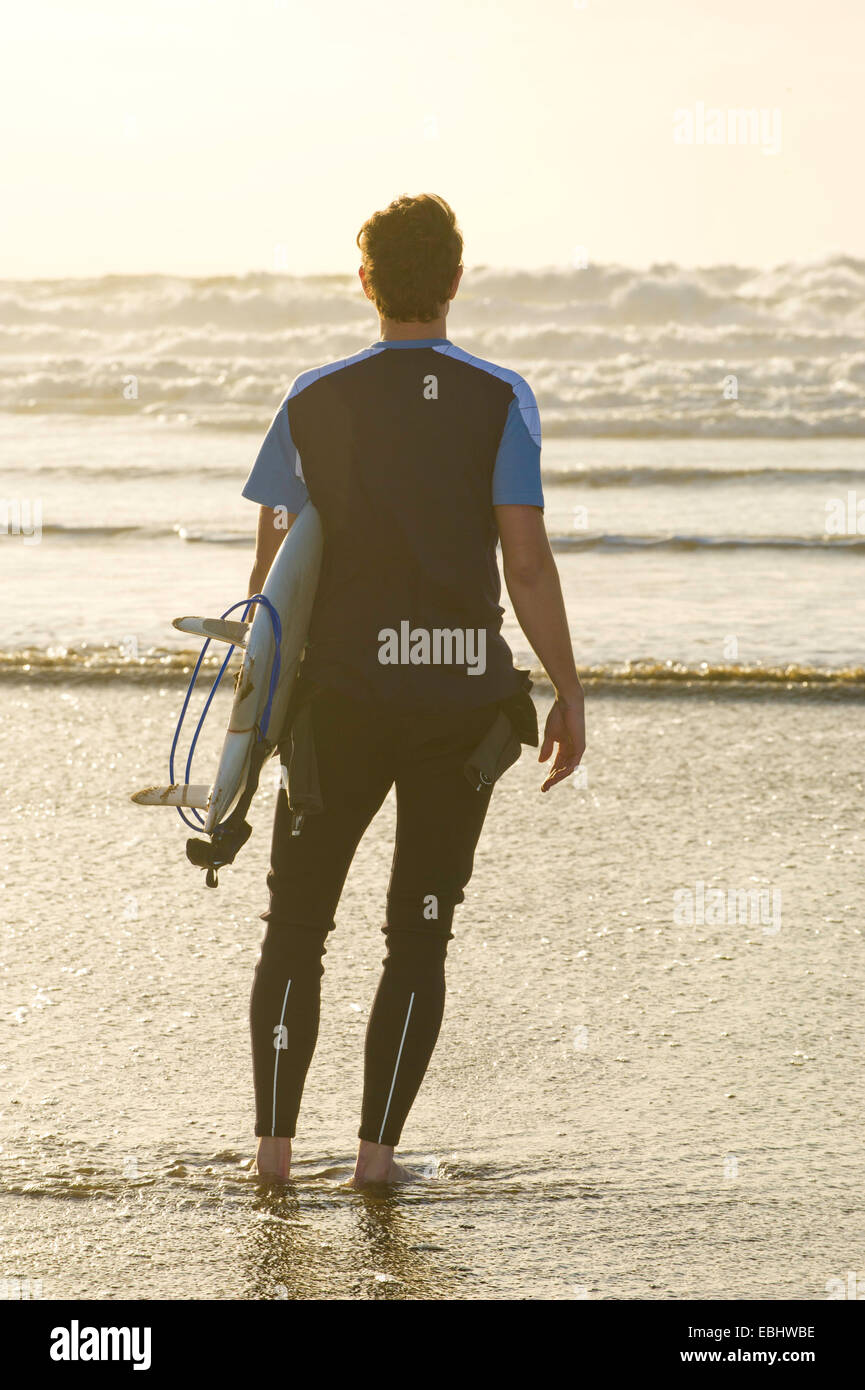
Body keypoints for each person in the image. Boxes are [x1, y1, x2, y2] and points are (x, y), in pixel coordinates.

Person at [241, 193, 585, 1186]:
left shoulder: (312, 398)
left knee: (296, 929)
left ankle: (272, 1153)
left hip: (336, 702)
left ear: (366, 282)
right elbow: (525, 565)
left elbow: (273, 581)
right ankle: (375, 1159)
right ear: (456, 279)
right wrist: (566, 688)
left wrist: (259, 722)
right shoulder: (498, 396)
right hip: (458, 706)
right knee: (418, 934)